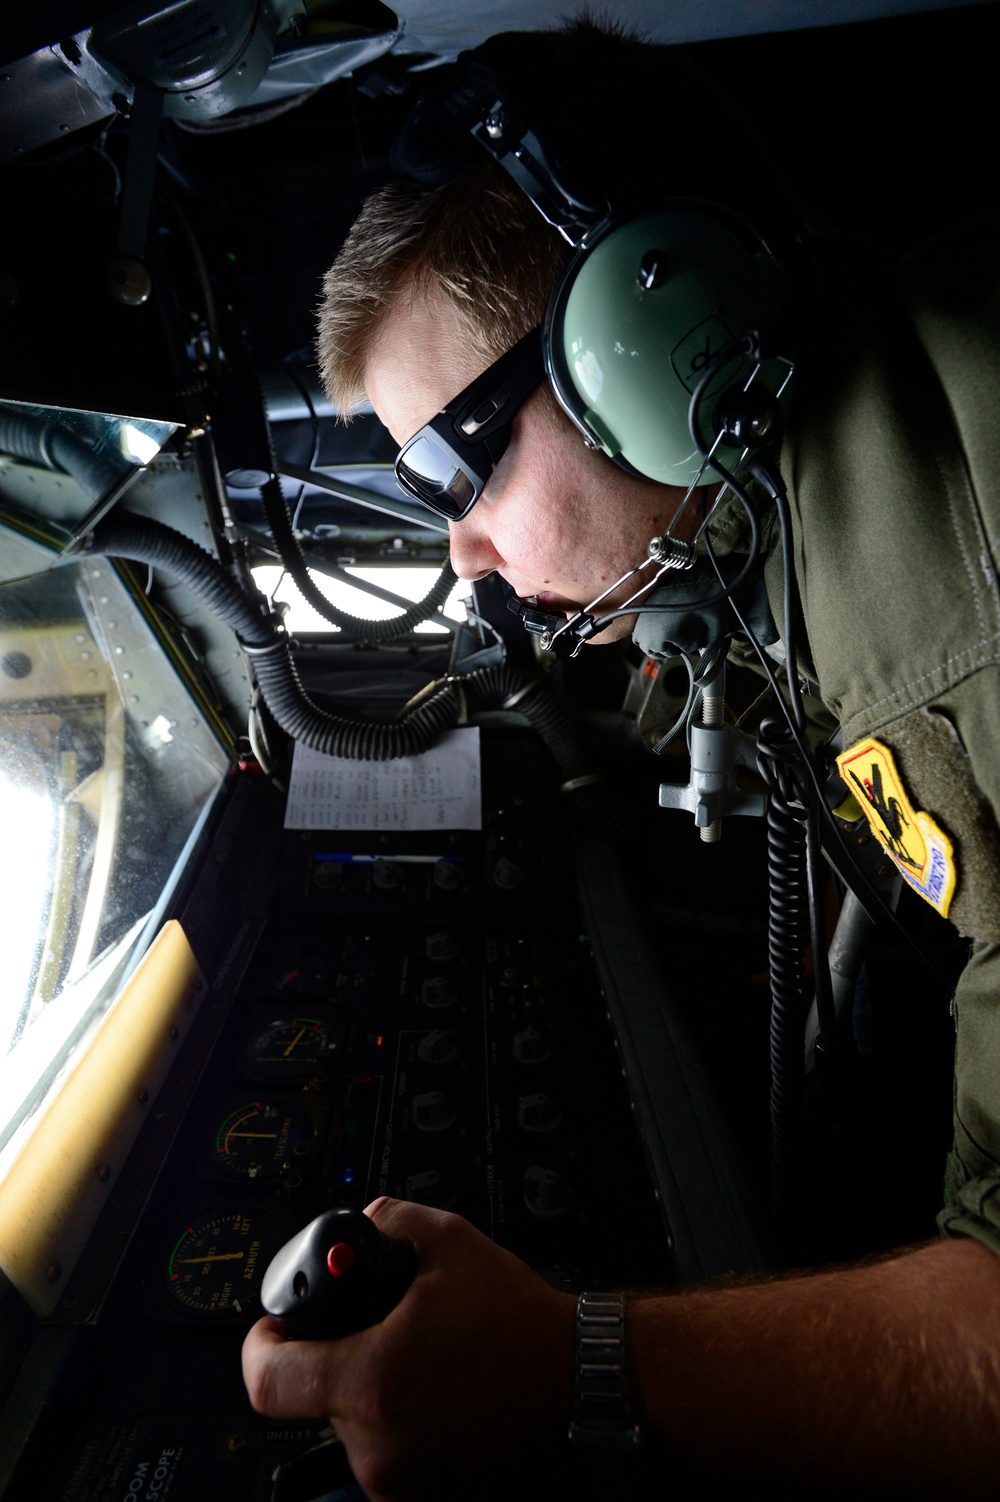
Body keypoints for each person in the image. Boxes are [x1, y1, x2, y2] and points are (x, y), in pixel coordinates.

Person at [243, 22, 1000, 1498]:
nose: (457, 547)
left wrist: (570, 1364)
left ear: (645, 348)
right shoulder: (796, 506)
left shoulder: (957, 605)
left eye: (458, 469)